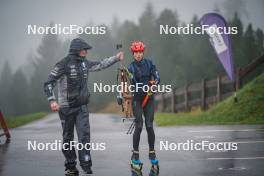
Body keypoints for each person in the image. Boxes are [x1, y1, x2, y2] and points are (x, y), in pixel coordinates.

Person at [43, 38, 124, 175]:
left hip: (82, 108)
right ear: (76, 50)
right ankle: (71, 167)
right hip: (66, 108)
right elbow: (49, 83)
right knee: (67, 138)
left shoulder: (85, 64)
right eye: (84, 49)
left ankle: (86, 166)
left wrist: (116, 58)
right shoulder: (63, 64)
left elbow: (101, 64)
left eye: (87, 50)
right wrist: (52, 100)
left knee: (84, 137)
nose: (86, 52)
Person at [127, 41, 160, 176]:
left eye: (140, 52)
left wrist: (154, 83)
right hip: (137, 99)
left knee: (149, 125)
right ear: (133, 54)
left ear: (143, 52)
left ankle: (152, 153)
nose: (138, 55)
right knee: (139, 126)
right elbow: (132, 81)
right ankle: (135, 156)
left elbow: (157, 76)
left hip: (149, 99)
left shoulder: (150, 63)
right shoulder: (130, 68)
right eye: (136, 53)